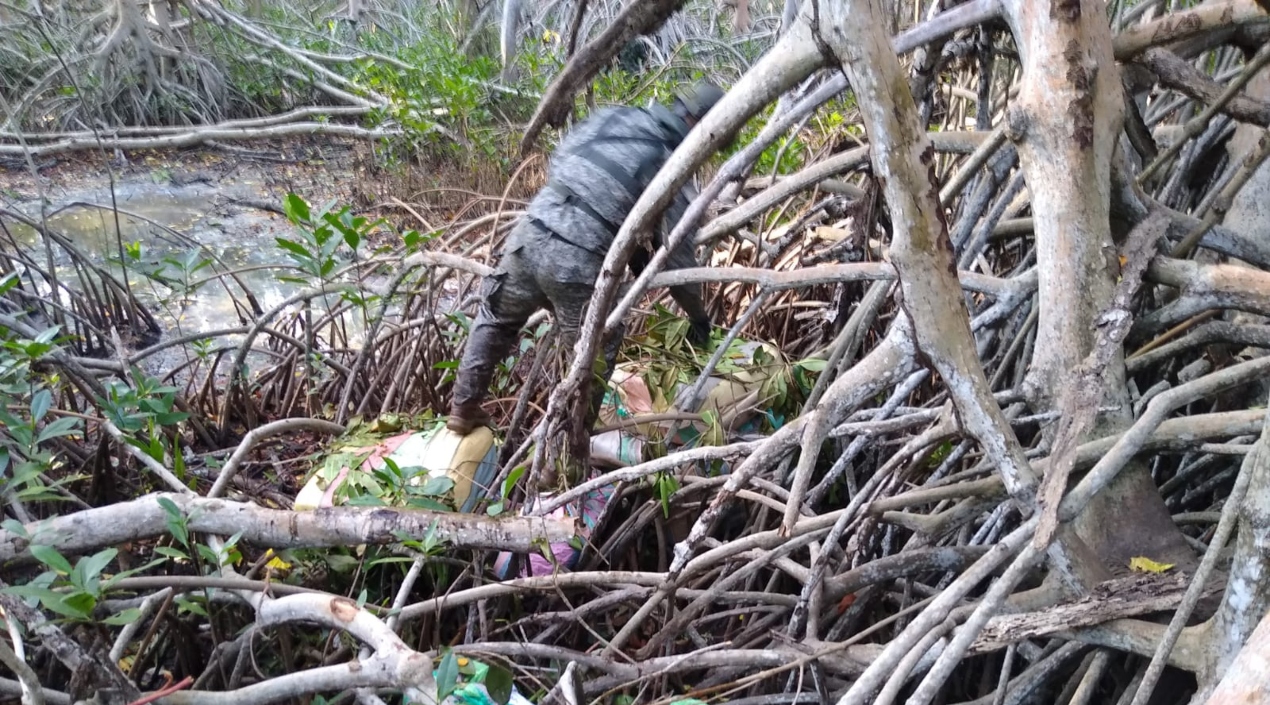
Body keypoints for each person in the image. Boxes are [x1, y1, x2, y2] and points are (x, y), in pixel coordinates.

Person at [446, 80, 727, 438]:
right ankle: (567, 452)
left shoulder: (613, 117)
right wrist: (698, 318)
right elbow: (680, 260)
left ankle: (463, 409)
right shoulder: (674, 164)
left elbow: (563, 158)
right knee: (595, 353)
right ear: (701, 126)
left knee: (494, 319)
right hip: (577, 261)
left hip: (529, 232)